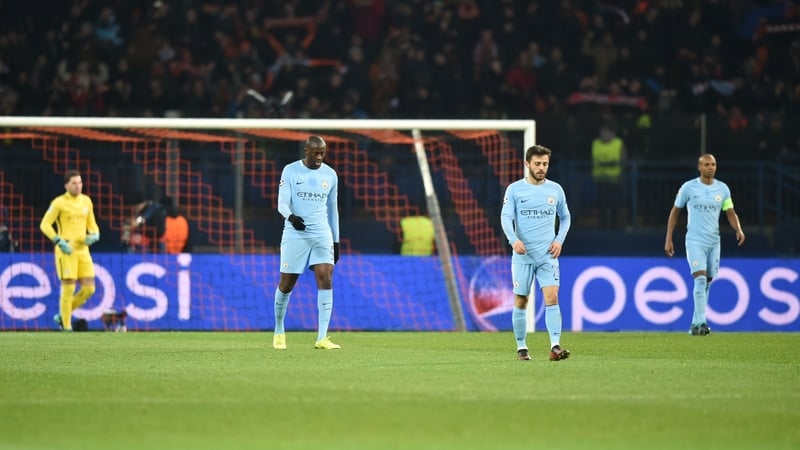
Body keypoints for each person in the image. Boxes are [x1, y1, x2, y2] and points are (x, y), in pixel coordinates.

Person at [500, 144, 572, 361]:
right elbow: (505, 217)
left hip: (547, 255)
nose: (542, 168)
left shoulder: (555, 190)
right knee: (521, 300)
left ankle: (555, 346)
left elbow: (566, 217)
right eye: (538, 164)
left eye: (545, 164)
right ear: (527, 164)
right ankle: (521, 348)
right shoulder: (514, 190)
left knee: (552, 296)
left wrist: (559, 240)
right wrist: (513, 240)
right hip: (523, 256)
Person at [664, 154, 745, 335]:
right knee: (700, 279)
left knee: (707, 282)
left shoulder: (723, 189)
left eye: (713, 164)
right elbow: (675, 211)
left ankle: (695, 324)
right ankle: (701, 322)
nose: (710, 167)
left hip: (714, 242)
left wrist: (738, 229)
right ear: (699, 167)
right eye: (707, 164)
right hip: (695, 241)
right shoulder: (688, 188)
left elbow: (730, 212)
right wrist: (668, 238)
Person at [273, 135, 341, 350]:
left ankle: (322, 338)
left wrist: (336, 241)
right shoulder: (290, 170)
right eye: (316, 153)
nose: (319, 157)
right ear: (306, 151)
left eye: (322, 153)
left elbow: (333, 210)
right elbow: (282, 202)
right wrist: (291, 218)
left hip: (321, 234)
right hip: (296, 234)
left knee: (325, 277)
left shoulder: (330, 175)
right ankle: (279, 329)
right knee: (287, 284)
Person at [39, 170, 100, 331]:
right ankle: (66, 327)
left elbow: (92, 225)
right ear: (66, 185)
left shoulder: (86, 201)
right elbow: (45, 224)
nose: (78, 186)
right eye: (74, 183)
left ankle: (63, 315)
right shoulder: (59, 203)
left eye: (80, 182)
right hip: (66, 251)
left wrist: (95, 235)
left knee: (89, 289)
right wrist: (58, 241)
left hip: (83, 250)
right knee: (69, 288)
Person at [591, 124, 626, 229]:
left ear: (612, 133)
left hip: (614, 180)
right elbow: (594, 159)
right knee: (602, 205)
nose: (603, 134)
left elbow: (623, 161)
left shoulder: (618, 143)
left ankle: (614, 227)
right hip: (600, 180)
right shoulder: (596, 143)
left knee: (614, 205)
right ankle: (602, 227)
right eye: (602, 132)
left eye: (605, 132)